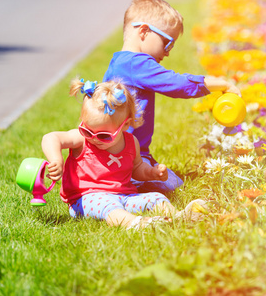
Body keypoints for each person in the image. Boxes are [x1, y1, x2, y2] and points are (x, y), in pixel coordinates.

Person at [103, 0, 241, 193]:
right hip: (127, 158)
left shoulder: (120, 61)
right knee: (172, 185)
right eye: (167, 43)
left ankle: (130, 178)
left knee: (171, 181)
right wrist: (217, 83)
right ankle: (131, 183)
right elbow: (176, 84)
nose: (168, 52)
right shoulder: (136, 64)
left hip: (119, 153)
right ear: (143, 31)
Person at [42, 78, 207, 229]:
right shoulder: (81, 139)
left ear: (125, 125)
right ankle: (136, 224)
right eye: (87, 130)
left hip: (124, 195)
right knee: (107, 206)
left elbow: (136, 168)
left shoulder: (131, 142)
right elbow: (51, 138)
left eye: (104, 135)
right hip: (86, 198)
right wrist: (56, 159)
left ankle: (178, 216)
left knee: (155, 197)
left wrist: (151, 173)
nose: (93, 138)